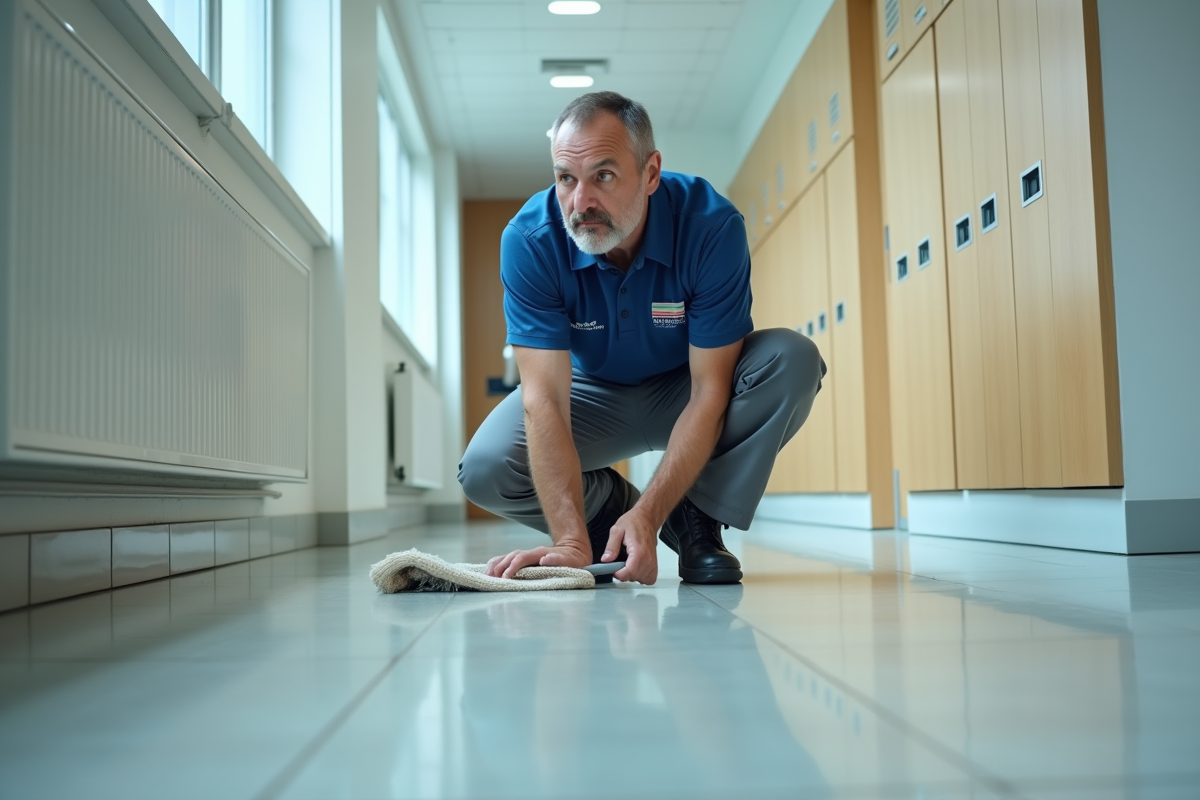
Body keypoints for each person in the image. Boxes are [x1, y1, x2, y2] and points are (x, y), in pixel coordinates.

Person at [459, 91, 826, 586]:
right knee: (487, 467)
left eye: (603, 176)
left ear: (651, 173)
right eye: (566, 179)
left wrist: (653, 514)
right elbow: (543, 399)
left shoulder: (710, 227)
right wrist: (569, 541)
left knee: (792, 359)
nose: (580, 202)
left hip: (686, 387)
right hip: (589, 395)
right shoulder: (530, 241)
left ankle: (694, 520)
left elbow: (710, 391)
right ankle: (607, 521)